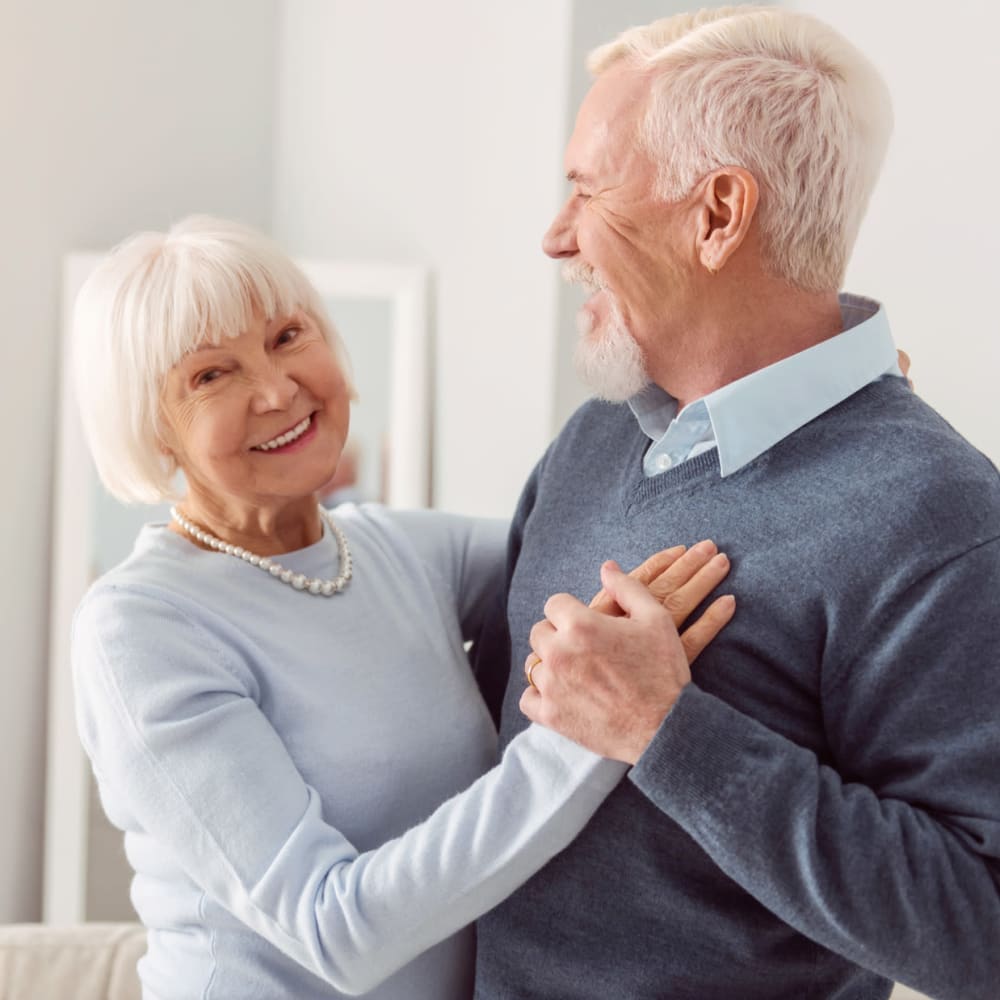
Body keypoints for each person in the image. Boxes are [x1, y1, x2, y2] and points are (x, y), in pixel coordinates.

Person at [472, 7, 1000, 1000]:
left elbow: (982, 925)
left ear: (716, 214)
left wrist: (669, 730)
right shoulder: (591, 443)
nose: (555, 237)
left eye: (586, 189)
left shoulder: (940, 517)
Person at [68, 216, 735, 1000]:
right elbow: (333, 930)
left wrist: (808, 419)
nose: (277, 390)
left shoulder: (396, 550)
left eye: (288, 336)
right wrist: (595, 724)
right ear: (153, 429)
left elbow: (627, 549)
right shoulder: (140, 627)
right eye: (212, 376)